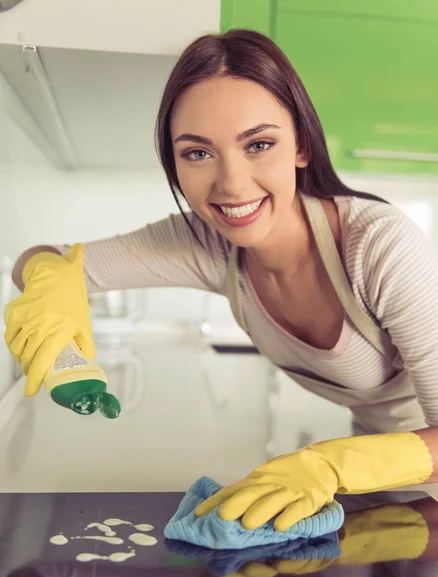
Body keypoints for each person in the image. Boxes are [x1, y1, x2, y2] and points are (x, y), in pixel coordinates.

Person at [4, 29, 438, 531]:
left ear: (301, 146)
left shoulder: (380, 248)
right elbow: (51, 258)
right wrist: (46, 280)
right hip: (389, 490)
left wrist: (328, 464)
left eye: (258, 144)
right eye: (198, 153)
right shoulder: (207, 243)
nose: (231, 184)